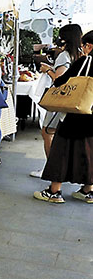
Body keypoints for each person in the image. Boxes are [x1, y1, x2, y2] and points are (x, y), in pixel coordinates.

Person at [33, 29, 93, 204]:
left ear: (89, 46)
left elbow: (61, 81)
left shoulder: (85, 61)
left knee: (61, 151)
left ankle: (54, 191)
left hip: (75, 115)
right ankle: (88, 190)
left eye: (84, 46)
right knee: (87, 152)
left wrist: (49, 71)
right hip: (91, 115)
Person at [31, 23, 82, 177]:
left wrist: (47, 70)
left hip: (60, 100)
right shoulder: (79, 54)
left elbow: (59, 79)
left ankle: (52, 170)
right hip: (73, 100)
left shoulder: (64, 56)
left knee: (47, 132)